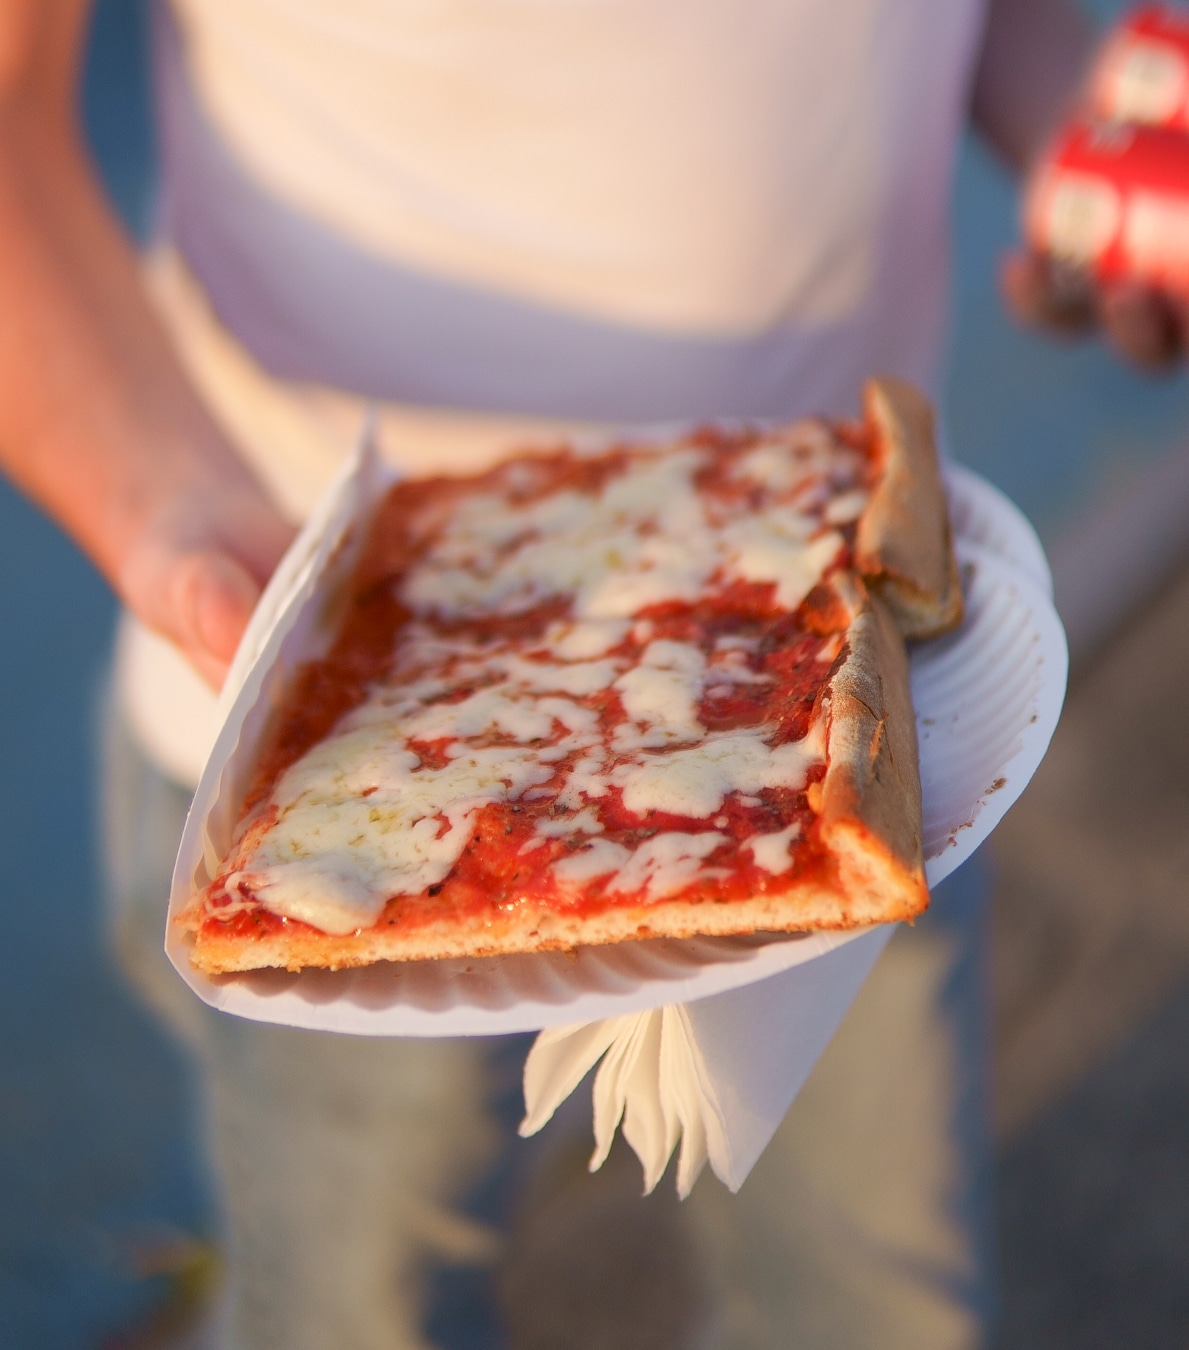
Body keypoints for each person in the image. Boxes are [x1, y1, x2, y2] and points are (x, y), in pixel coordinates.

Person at [0, 2, 1171, 1347]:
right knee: (354, 1320)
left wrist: (1089, 149)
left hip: (823, 619)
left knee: (876, 1307)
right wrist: (175, 516)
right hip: (344, 737)